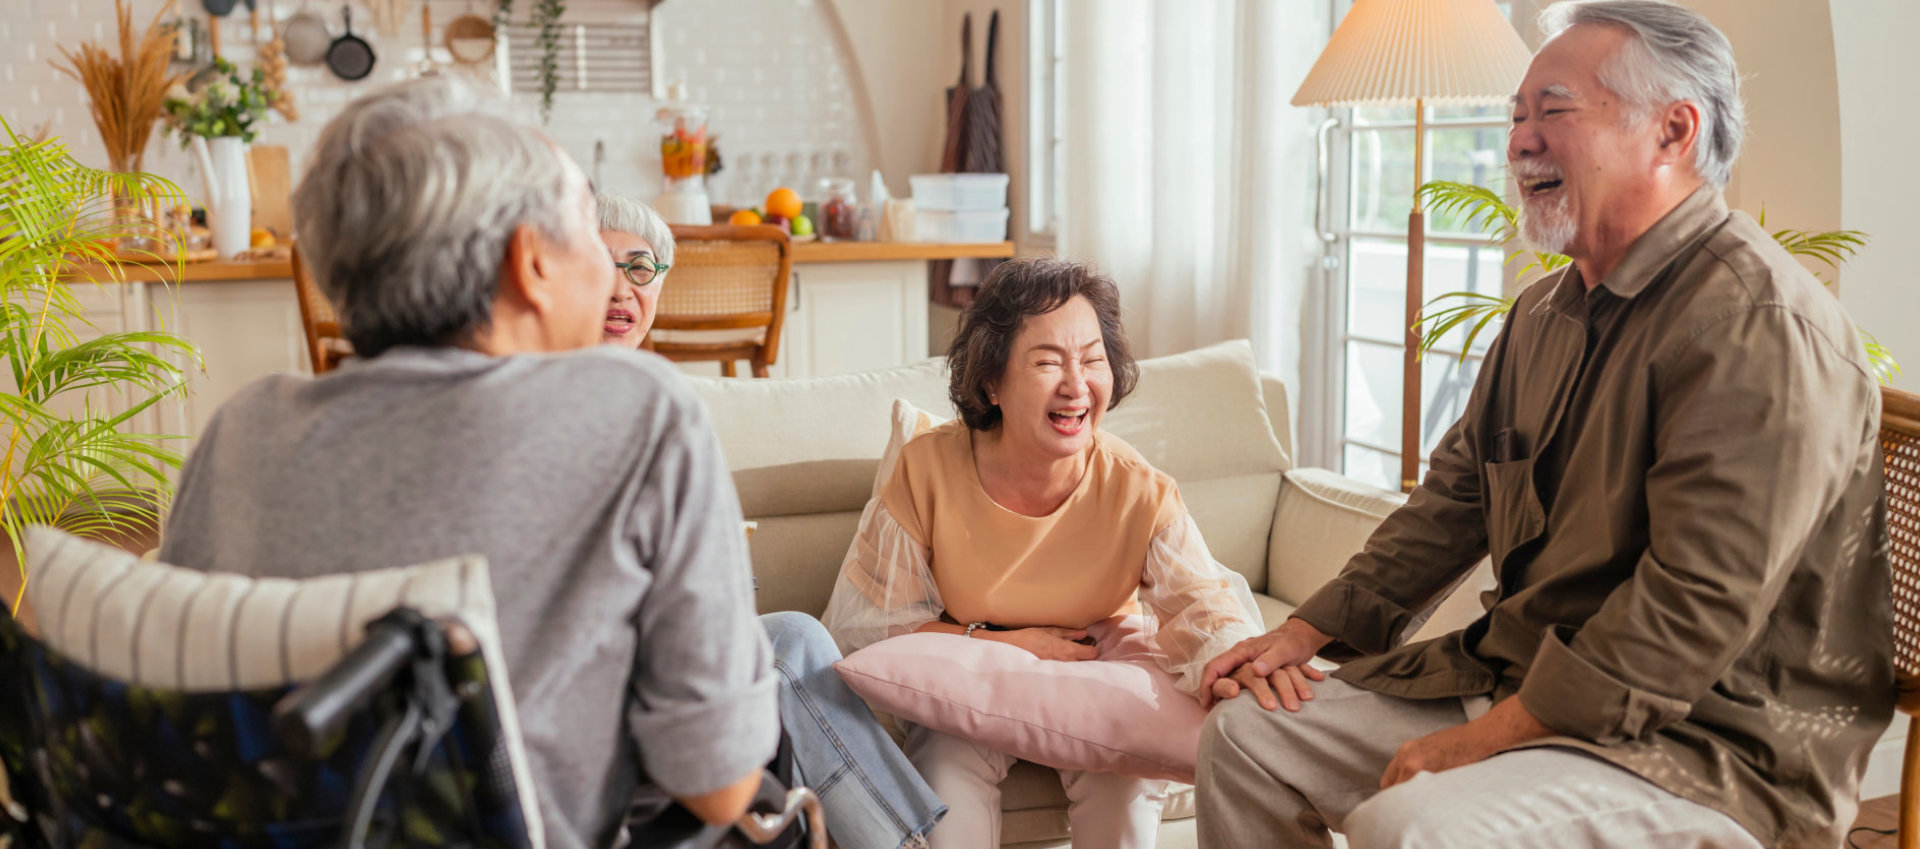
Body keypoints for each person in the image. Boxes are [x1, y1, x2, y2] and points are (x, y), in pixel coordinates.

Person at [1195, 3, 1891, 848]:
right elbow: (1452, 499)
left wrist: (1471, 746)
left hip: (1705, 752)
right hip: (1522, 681)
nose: (1518, 139)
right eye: (1517, 114)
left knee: (1414, 823)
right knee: (1247, 737)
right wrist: (1303, 631)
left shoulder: (1759, 327)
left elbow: (1687, 616)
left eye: (1553, 110)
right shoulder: (1544, 313)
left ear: (1673, 132)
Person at [160, 75, 775, 849]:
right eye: (590, 231)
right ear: (531, 262)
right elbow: (719, 783)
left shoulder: (242, 428)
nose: (616, 272)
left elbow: (184, 714)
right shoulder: (638, 409)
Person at [822, 257, 1267, 849]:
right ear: (991, 384)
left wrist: (1250, 670)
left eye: (1091, 360)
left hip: (1094, 670)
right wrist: (1006, 645)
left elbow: (1204, 609)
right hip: (965, 670)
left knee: (1125, 797)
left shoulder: (1140, 488)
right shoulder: (928, 467)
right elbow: (871, 625)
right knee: (946, 787)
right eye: (1048, 361)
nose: (1076, 384)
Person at [594, 191, 948, 849]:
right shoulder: (554, 396)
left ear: (660, 287)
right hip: (599, 656)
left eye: (639, 268)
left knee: (795, 639)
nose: (622, 287)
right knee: (790, 647)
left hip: (666, 636)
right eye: (600, 265)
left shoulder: (663, 404)